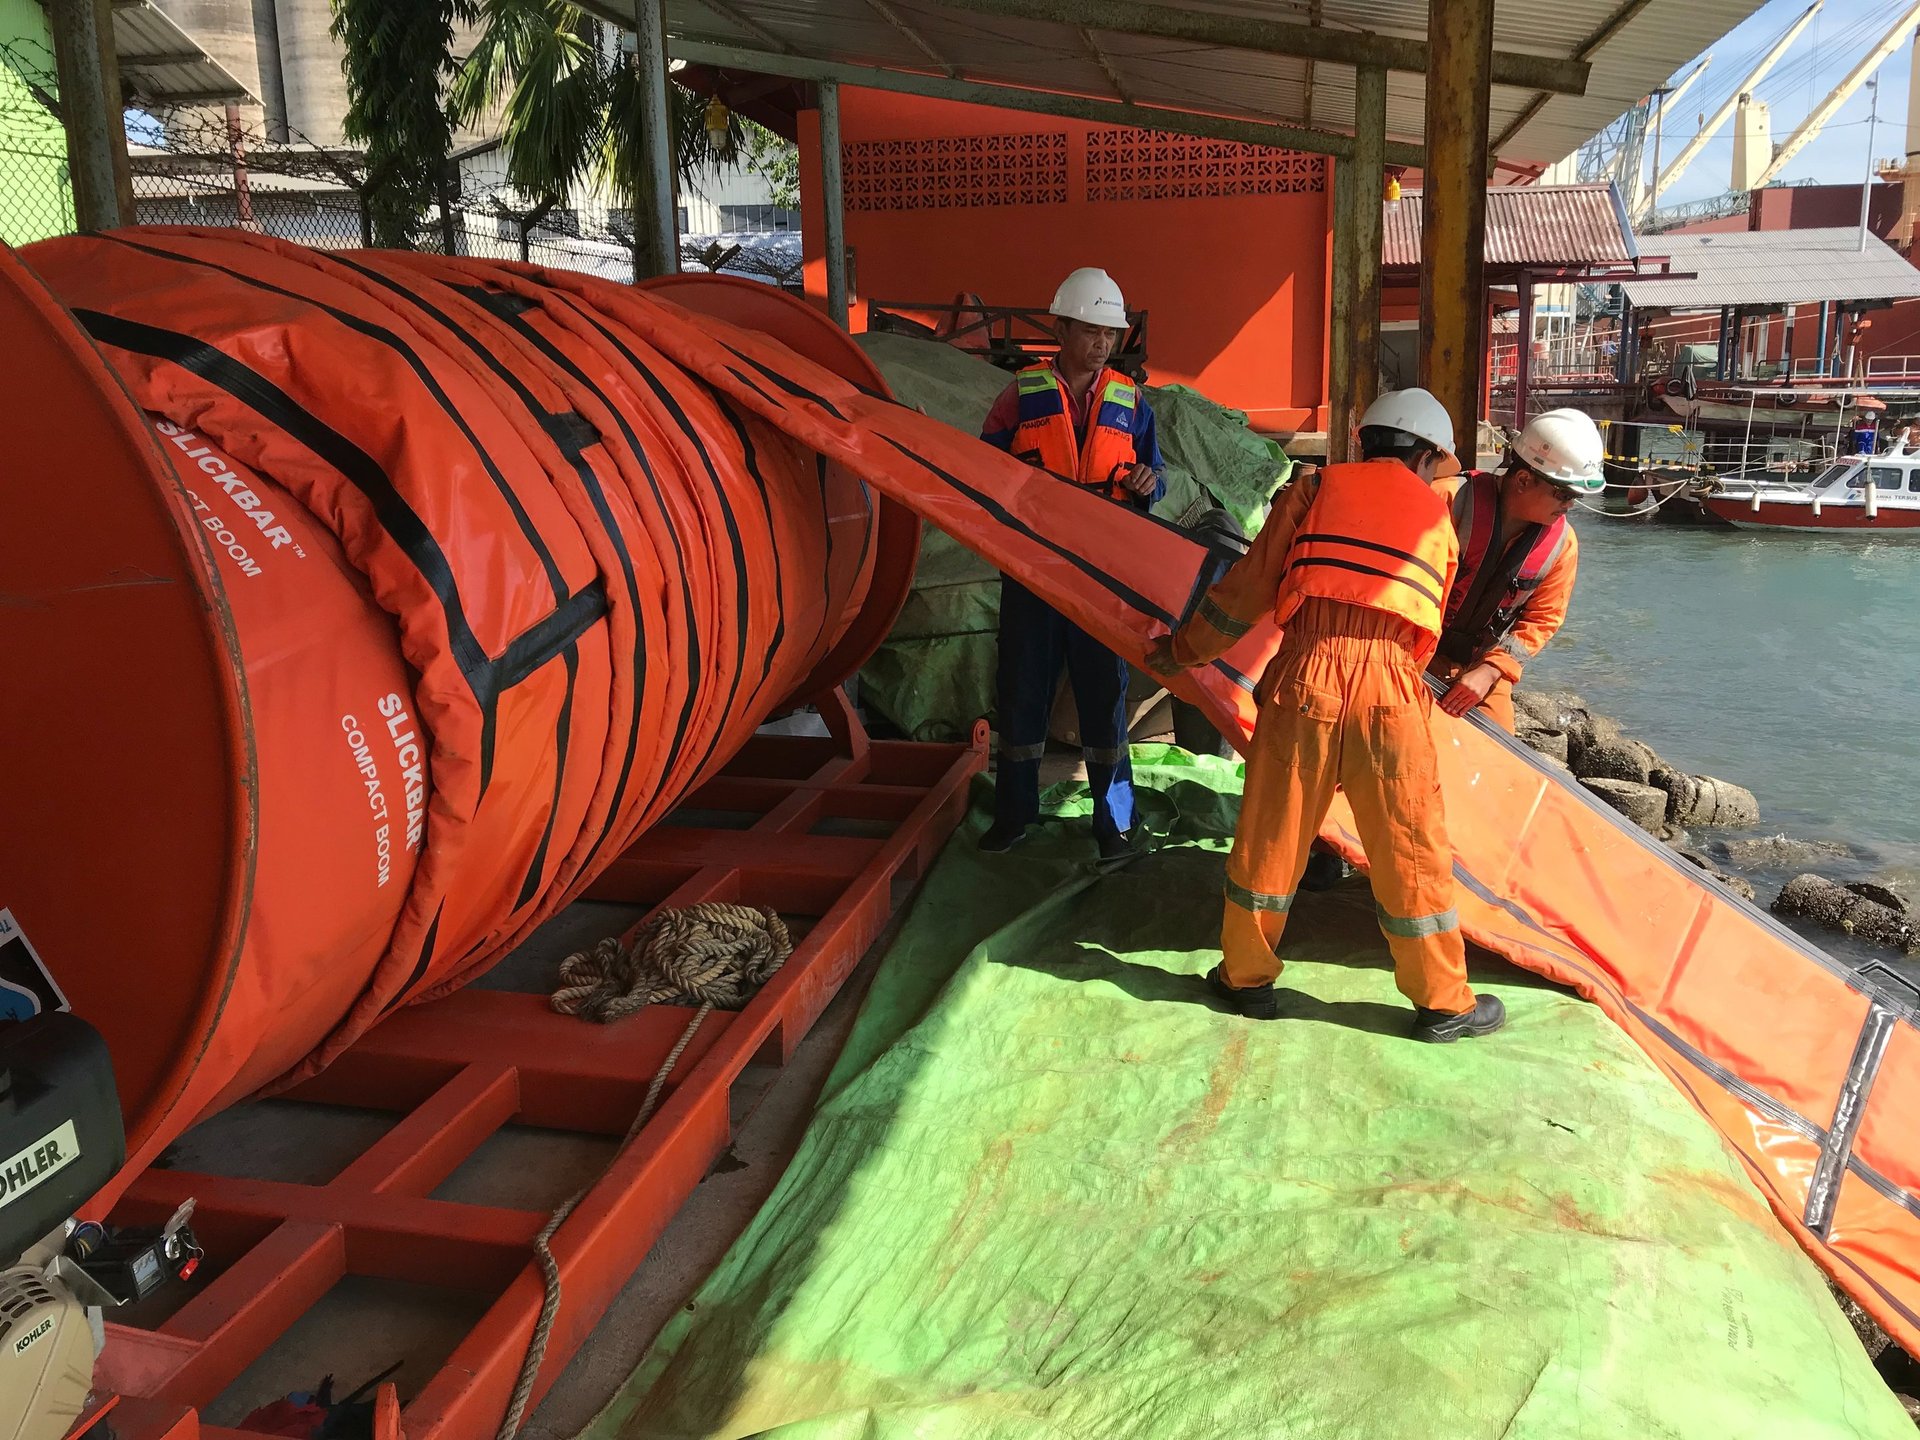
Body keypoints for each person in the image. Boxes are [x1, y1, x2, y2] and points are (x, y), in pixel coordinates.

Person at [1147, 389, 1503, 1044]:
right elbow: (1431, 623)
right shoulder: (1437, 522)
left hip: (1306, 679)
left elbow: (1246, 593)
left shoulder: (1312, 490)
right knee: (1411, 850)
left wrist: (1181, 652)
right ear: (1427, 455)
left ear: (1364, 441)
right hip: (1393, 689)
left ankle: (1246, 980)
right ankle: (1443, 1004)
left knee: (1271, 836)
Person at [979, 266, 1165, 860]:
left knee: (1102, 697)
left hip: (1100, 574)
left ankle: (1114, 827)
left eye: (1111, 333)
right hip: (1033, 571)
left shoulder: (1132, 400)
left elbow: (1154, 476)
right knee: (1022, 692)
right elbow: (985, 469)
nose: (1103, 343)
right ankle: (1013, 817)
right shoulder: (1019, 394)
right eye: (1091, 330)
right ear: (1061, 327)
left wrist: (1145, 483)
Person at [1428, 409, 1603, 732]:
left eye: (1575, 496)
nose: (1570, 505)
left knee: (1498, 749)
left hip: (1480, 663)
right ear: (1523, 479)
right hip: (1413, 649)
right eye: (1564, 493)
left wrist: (1491, 670)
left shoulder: (1562, 545)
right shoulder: (1447, 500)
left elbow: (1542, 619)